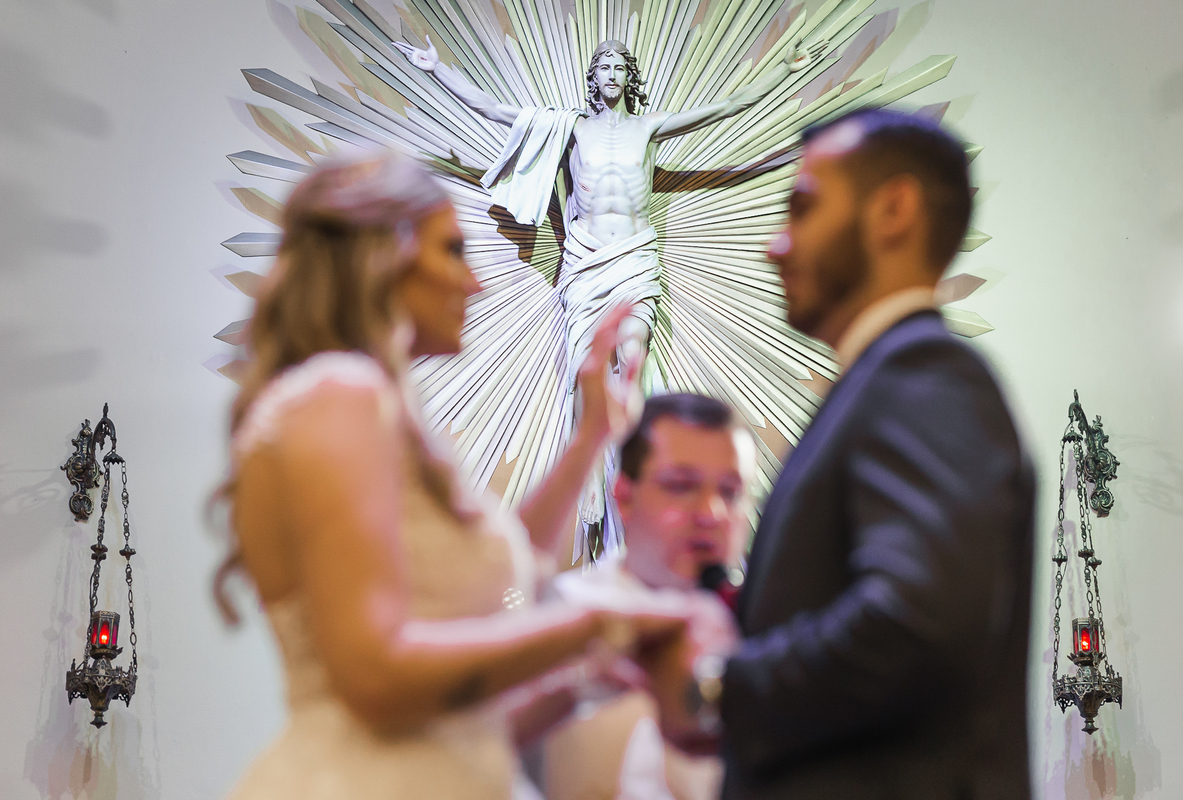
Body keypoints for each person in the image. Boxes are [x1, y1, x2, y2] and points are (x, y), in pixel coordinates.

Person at [214, 151, 686, 800]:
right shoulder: (340, 394)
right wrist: (598, 624)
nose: (476, 284)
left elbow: (511, 571)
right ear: (385, 255)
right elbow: (377, 679)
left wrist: (591, 440)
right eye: (454, 251)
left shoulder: (371, 405)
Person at [641, 108, 1036, 799]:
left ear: (893, 210)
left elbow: (916, 624)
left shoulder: (924, 374)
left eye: (802, 207)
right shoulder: (883, 384)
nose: (775, 245)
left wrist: (720, 691)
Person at [395, 35, 828, 554]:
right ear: (592, 77)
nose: (610, 74)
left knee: (631, 358)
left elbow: (725, 108)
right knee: (587, 374)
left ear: (629, 77)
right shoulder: (571, 129)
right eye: (602, 66)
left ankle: (634, 476)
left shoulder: (649, 127)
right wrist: (436, 68)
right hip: (585, 261)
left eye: (619, 66)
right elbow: (492, 109)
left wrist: (782, 72)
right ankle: (593, 480)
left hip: (635, 258)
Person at [537, 394, 752, 800]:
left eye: (731, 491)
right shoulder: (561, 618)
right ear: (625, 498)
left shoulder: (767, 630)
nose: (711, 513)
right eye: (681, 486)